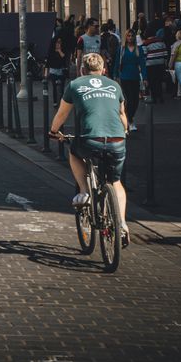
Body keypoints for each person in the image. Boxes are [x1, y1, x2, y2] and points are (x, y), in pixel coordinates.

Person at [49, 50, 129, 246]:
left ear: (82, 70)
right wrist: (125, 131)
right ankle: (122, 223)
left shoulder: (75, 85)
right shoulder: (114, 85)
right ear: (103, 69)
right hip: (117, 139)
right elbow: (122, 116)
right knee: (116, 182)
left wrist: (53, 131)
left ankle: (84, 191)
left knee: (75, 153)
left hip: (89, 139)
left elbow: (62, 114)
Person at [117, 29, 145, 131]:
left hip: (135, 77)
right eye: (128, 36)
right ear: (126, 37)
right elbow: (117, 63)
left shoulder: (139, 49)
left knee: (136, 101)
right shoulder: (122, 49)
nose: (130, 38)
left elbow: (143, 64)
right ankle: (130, 120)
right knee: (129, 100)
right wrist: (115, 76)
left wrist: (145, 77)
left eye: (132, 36)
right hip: (124, 77)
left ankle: (128, 118)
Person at [142, 24, 168, 103]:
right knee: (159, 80)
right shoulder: (161, 41)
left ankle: (154, 97)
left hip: (150, 65)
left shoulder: (146, 43)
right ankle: (160, 97)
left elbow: (144, 55)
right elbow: (165, 53)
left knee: (152, 81)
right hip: (160, 63)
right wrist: (165, 62)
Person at [45, 36, 69, 105]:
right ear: (54, 43)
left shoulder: (63, 50)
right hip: (53, 71)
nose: (58, 44)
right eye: (57, 42)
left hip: (61, 71)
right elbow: (47, 63)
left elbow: (64, 59)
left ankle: (62, 101)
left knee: (62, 87)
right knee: (54, 87)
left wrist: (59, 51)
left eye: (60, 42)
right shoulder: (51, 51)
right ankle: (55, 101)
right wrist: (46, 74)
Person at [168, 28, 181, 100]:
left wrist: (170, 65)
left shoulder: (176, 44)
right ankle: (180, 94)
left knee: (180, 79)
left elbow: (173, 55)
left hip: (179, 64)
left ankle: (180, 94)